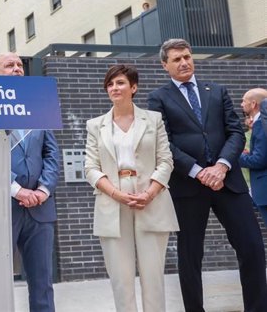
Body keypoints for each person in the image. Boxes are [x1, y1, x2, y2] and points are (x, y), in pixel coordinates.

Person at [147, 38, 267, 312]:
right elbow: (163, 141)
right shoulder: (159, 98)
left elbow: (236, 132)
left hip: (228, 182)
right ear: (165, 65)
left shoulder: (217, 90)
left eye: (187, 56)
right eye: (176, 59)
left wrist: (222, 165)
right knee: (191, 257)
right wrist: (199, 171)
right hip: (189, 186)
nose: (184, 62)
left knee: (252, 247)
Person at [85, 64, 178, 312]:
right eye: (110, 84)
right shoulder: (95, 125)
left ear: (133, 87)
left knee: (153, 275)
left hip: (151, 198)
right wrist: (117, 194)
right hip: (112, 200)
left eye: (120, 83)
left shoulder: (153, 119)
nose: (114, 88)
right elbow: (91, 168)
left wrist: (148, 193)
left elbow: (166, 160)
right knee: (121, 278)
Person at [0, 52, 60, 312]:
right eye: (10, 65)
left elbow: (51, 152)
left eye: (20, 65)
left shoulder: (37, 107)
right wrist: (16, 190)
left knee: (42, 284)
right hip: (1, 208)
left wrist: (43, 190)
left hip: (39, 209)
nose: (18, 69)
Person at [239, 88, 267, 225]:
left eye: (244, 101)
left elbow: (259, 160)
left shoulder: (261, 124)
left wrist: (236, 157)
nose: (241, 104)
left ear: (254, 103)